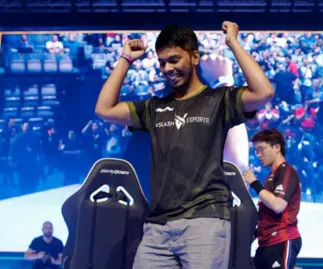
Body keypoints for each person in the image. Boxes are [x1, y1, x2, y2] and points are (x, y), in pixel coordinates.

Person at [95, 22, 274, 269]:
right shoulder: (153, 108)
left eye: (174, 60)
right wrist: (126, 59)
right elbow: (104, 109)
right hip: (157, 228)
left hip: (205, 223)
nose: (167, 68)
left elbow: (264, 92)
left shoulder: (219, 100)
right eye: (162, 62)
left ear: (195, 57)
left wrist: (233, 43)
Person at [243, 129, 302, 269]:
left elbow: (277, 205)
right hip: (266, 242)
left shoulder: (287, 171)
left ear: (277, 147)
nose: (258, 155)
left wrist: (254, 183)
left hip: (282, 239)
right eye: (256, 151)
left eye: (261, 149)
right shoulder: (272, 175)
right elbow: (268, 212)